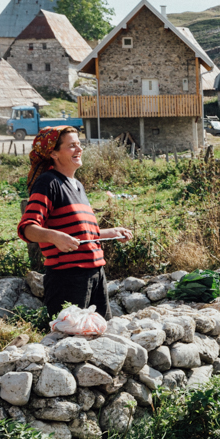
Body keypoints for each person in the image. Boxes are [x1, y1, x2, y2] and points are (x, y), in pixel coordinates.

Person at [17, 127, 132, 318]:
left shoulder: (78, 185)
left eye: (79, 144)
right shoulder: (48, 183)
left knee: (100, 334)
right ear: (53, 153)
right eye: (71, 146)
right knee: (70, 341)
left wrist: (111, 232)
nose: (79, 149)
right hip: (66, 278)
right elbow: (27, 228)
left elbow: (79, 235)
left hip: (95, 274)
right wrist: (54, 236)